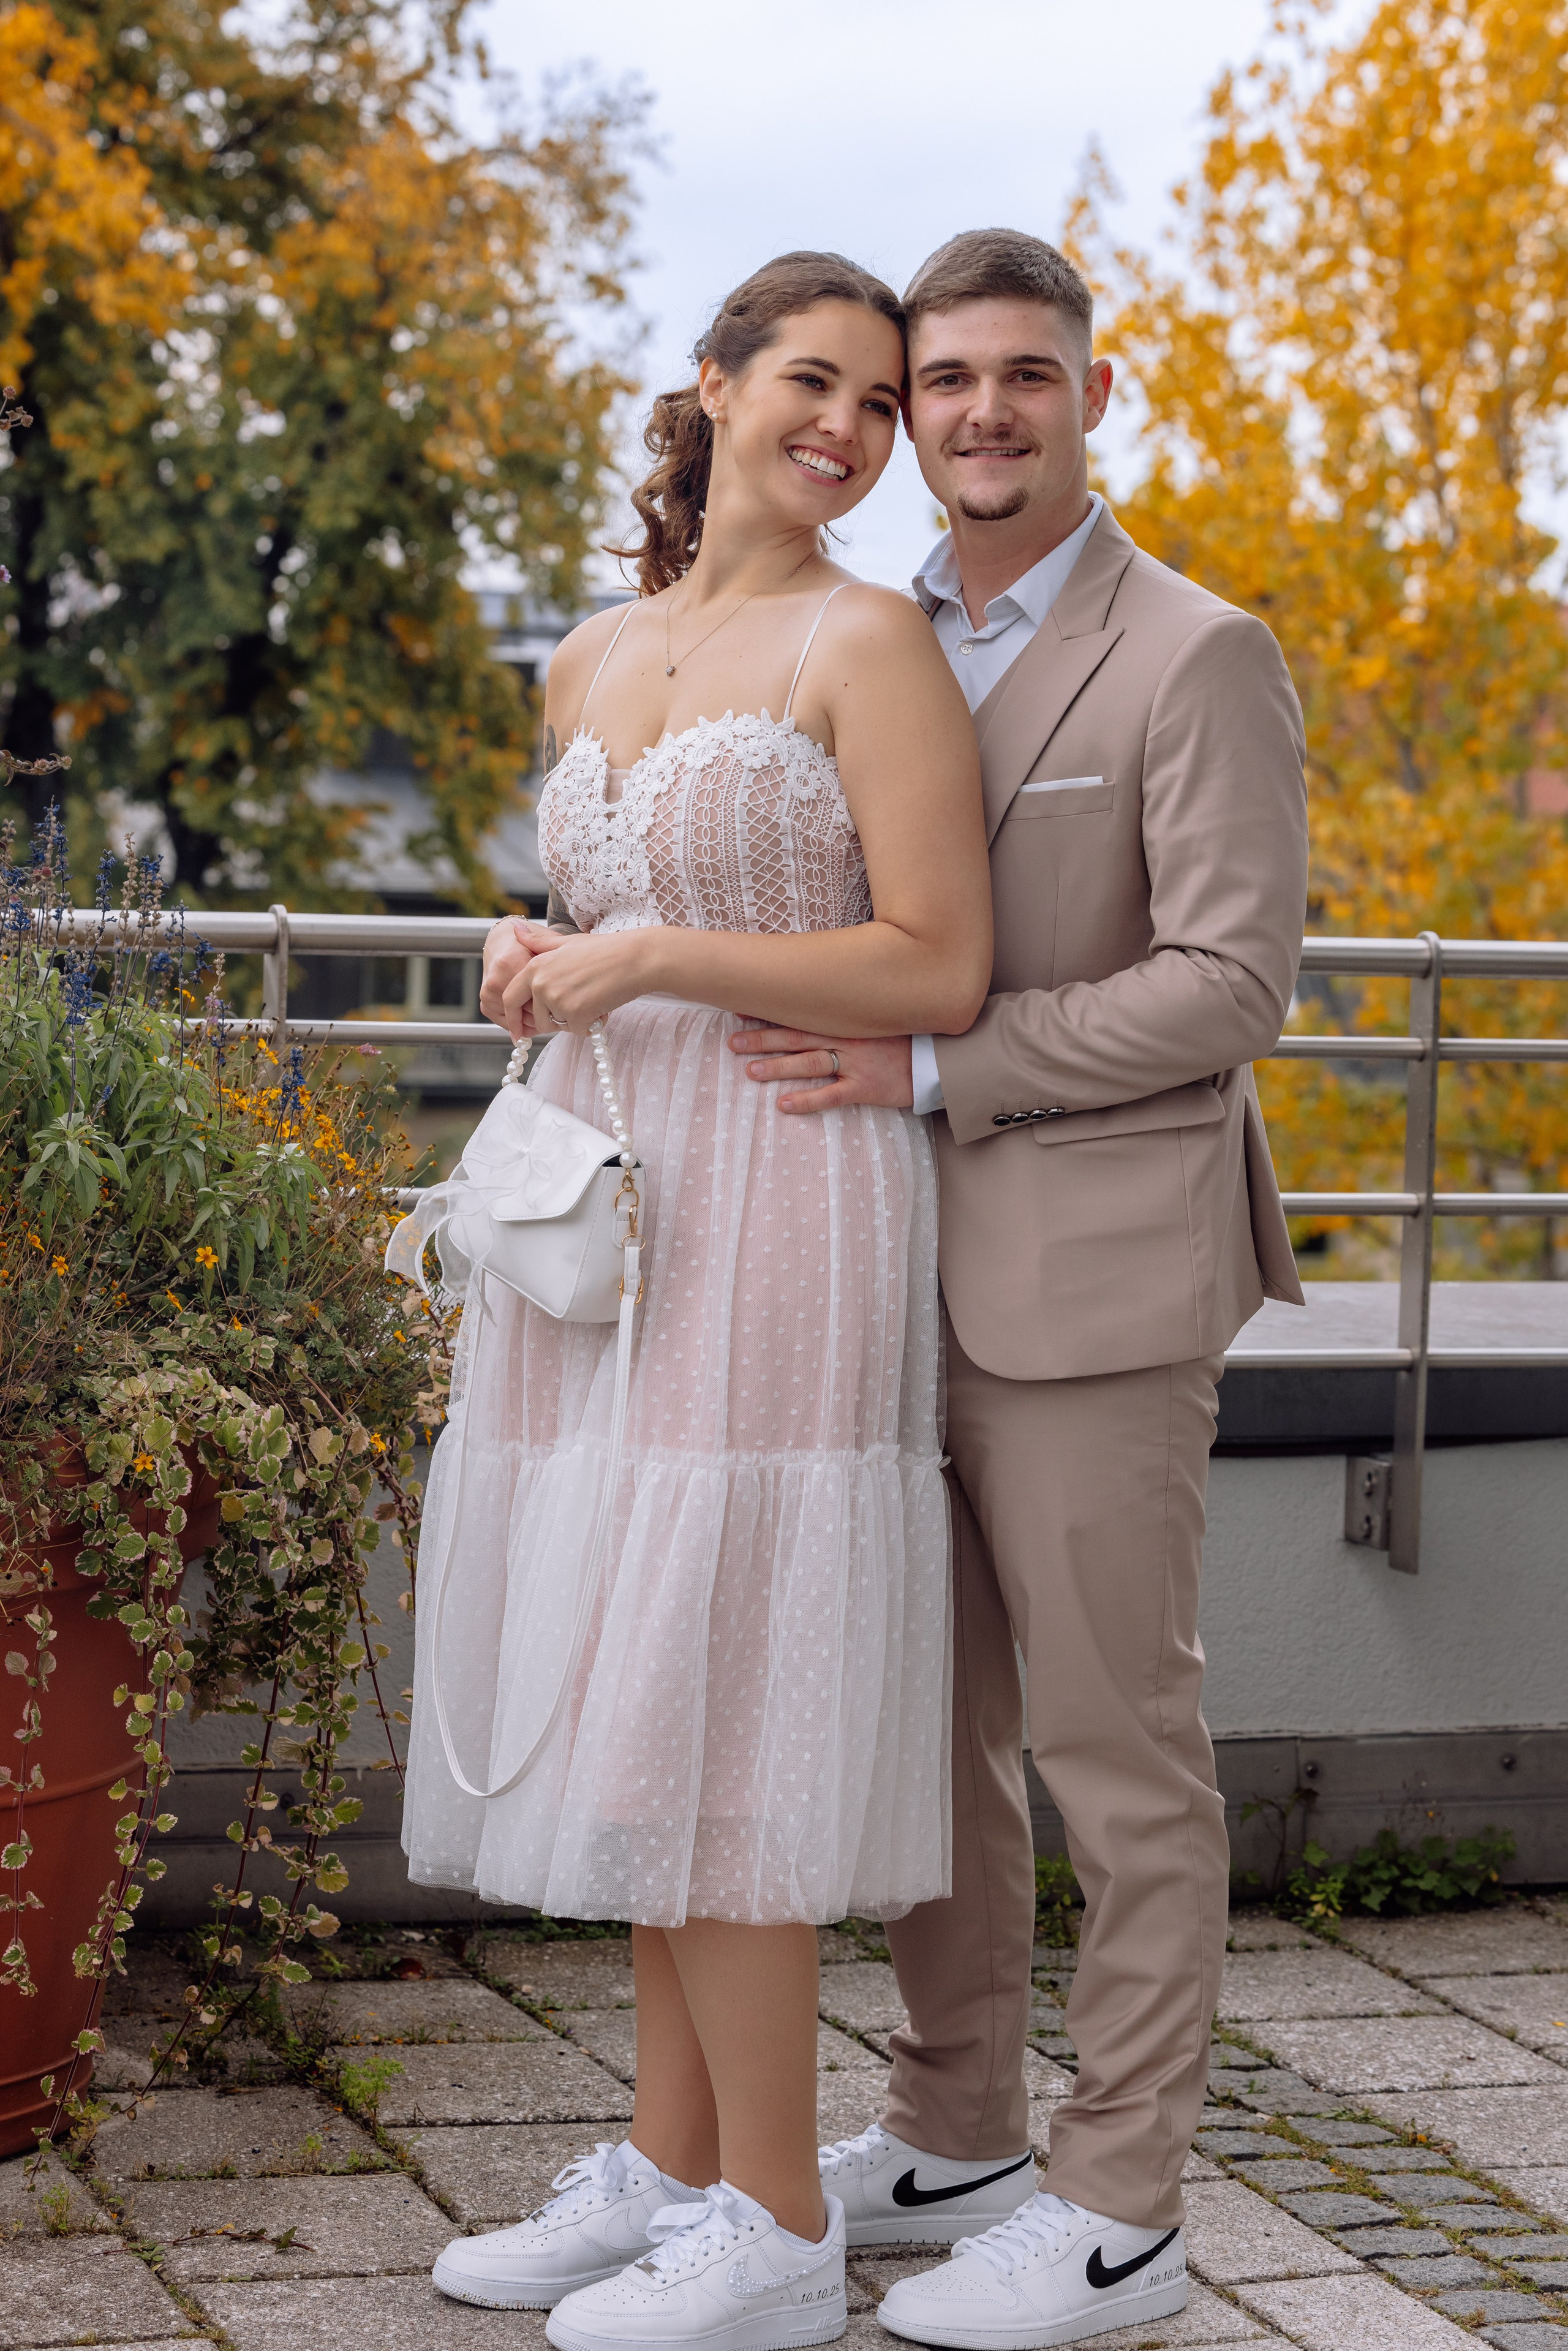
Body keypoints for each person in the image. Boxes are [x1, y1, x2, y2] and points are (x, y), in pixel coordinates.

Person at [395, 251, 993, 2351]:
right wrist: (534, 952)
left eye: (881, 405)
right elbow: (602, 904)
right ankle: (666, 2171)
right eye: (812, 384)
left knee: (727, 1684)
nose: (848, 429)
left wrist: (651, 957)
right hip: (609, 1206)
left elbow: (936, 963)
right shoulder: (593, 653)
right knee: (641, 1675)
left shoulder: (875, 640)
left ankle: (779, 2229)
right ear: (717, 383)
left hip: (787, 1193)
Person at [738, 230, 1310, 2347]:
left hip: (1096, 1283)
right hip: (878, 1278)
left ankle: (1125, 2199)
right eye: (945, 380)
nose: (979, 413)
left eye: (1022, 377)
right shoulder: (870, 635)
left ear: (1091, 392)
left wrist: (938, 1063)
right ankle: (958, 2117)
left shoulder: (1196, 653)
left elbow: (1232, 982)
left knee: (1113, 1751)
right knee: (934, 1743)